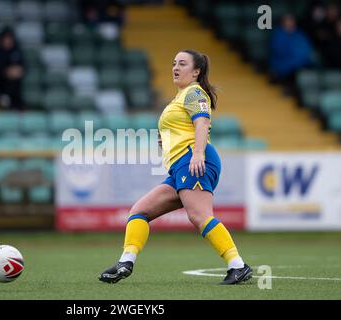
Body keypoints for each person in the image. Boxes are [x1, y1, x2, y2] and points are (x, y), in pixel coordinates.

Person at [99, 50, 252, 285]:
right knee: (139, 211)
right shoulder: (181, 97)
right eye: (173, 63)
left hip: (193, 159)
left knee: (199, 216)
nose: (175, 67)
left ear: (196, 72)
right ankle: (125, 261)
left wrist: (198, 153)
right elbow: (183, 127)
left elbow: (202, 122)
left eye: (182, 63)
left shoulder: (193, 92)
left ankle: (237, 265)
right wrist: (167, 139)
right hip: (180, 165)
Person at [270, 14, 313, 94]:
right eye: (288, 21)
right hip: (284, 65)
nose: (290, 23)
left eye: (291, 20)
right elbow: (279, 52)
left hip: (300, 64)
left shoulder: (300, 34)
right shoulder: (278, 35)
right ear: (283, 23)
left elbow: (306, 49)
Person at [0, 28, 25, 110]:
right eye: (5, 38)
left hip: (15, 92)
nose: (7, 41)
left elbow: (23, 69)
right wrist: (5, 72)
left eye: (9, 38)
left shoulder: (17, 52)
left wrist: (15, 72)